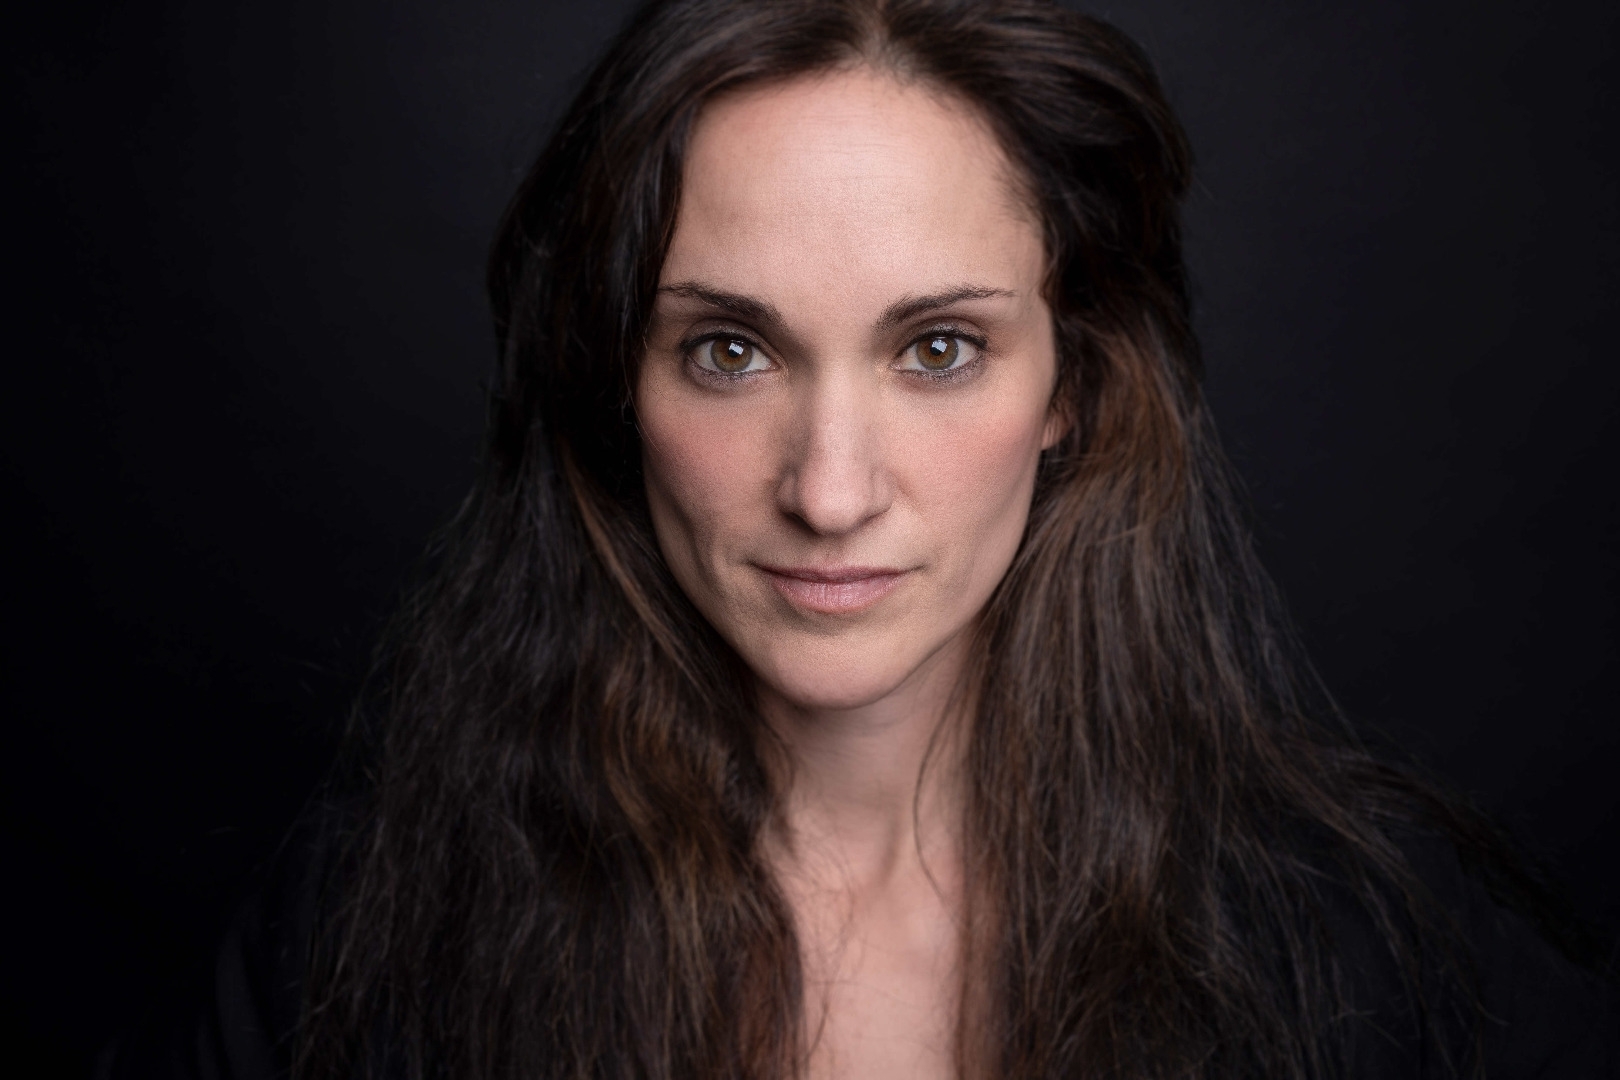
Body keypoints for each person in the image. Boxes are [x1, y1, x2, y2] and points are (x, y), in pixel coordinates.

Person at [105, 0, 1614, 1077]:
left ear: (1073, 386)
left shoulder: (1366, 937)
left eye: (938, 349)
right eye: (729, 352)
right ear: (615, 383)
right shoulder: (380, 923)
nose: (830, 493)